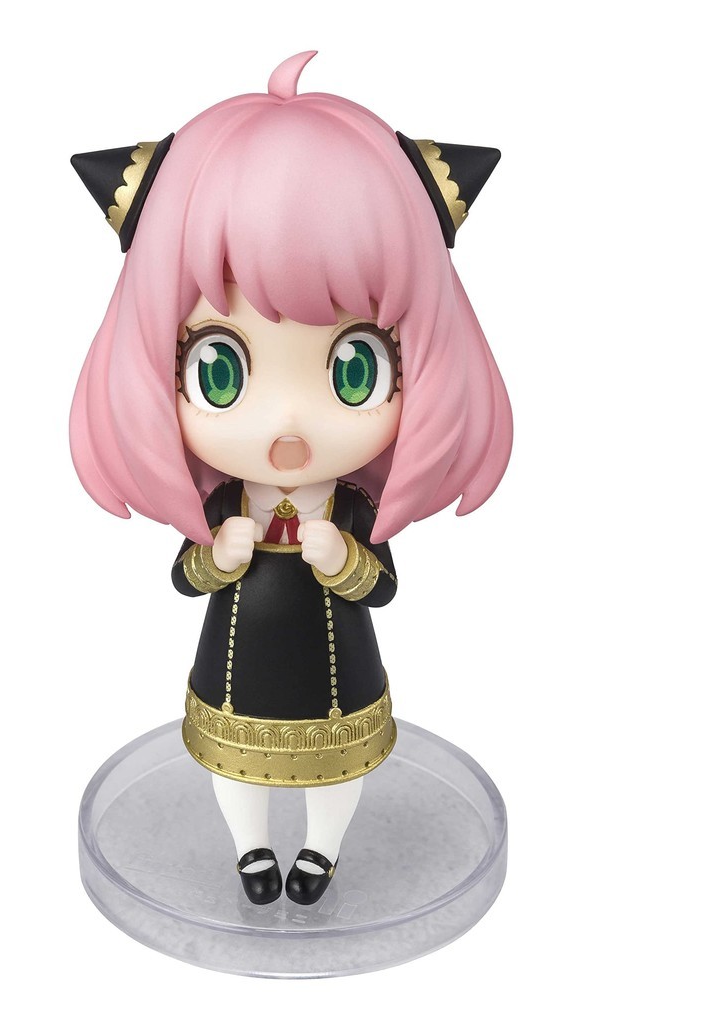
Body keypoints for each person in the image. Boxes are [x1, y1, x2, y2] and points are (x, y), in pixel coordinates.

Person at [69, 51, 512, 906]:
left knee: (336, 773)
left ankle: (320, 853)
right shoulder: (221, 503)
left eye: (353, 369)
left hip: (338, 675)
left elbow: (382, 586)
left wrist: (343, 560)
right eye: (220, 372)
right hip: (234, 672)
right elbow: (185, 576)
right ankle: (249, 852)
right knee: (232, 770)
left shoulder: (352, 505)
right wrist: (219, 557)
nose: (287, 423)